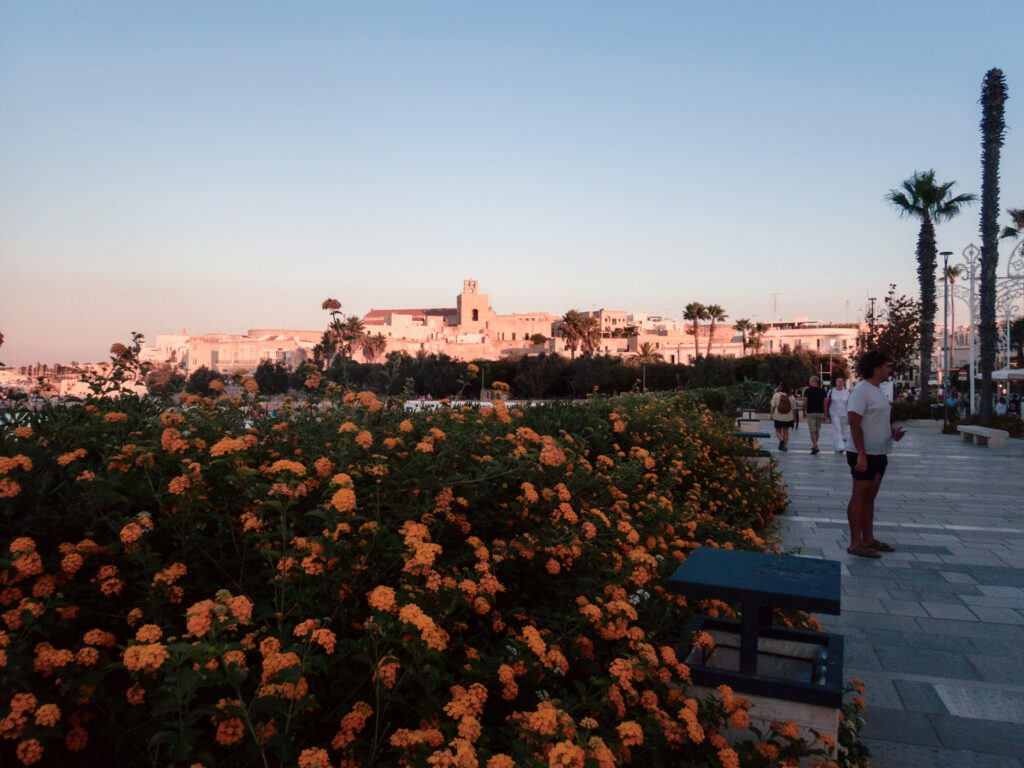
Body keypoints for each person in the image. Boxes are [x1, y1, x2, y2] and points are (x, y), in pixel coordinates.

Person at [845, 350, 905, 558]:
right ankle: (855, 543)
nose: (890, 369)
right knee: (859, 497)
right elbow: (854, 422)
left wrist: (892, 434)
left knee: (870, 497)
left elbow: (875, 421)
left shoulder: (878, 390)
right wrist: (861, 454)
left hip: (880, 452)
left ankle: (869, 539)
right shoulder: (861, 391)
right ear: (876, 368)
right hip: (864, 453)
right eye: (887, 366)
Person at [825, 376, 851, 453]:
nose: (839, 383)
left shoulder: (847, 392)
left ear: (843, 383)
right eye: (838, 381)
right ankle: (841, 447)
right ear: (836, 382)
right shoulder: (831, 391)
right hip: (834, 412)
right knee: (837, 429)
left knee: (843, 430)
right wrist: (826, 414)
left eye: (841, 381)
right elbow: (827, 402)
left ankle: (837, 445)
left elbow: (850, 404)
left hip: (844, 413)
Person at [802, 375, 827, 454]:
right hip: (820, 412)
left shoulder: (808, 391)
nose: (809, 382)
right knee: (817, 430)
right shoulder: (823, 391)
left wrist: (803, 412)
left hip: (811, 412)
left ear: (813, 382)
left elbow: (805, 403)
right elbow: (825, 403)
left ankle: (815, 445)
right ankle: (815, 445)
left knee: (812, 430)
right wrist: (826, 414)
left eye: (810, 381)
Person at [770, 382, 797, 452]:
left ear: (781, 388)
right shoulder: (791, 396)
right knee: (786, 431)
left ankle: (781, 440)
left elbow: (772, 405)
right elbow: (794, 408)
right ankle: (785, 446)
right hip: (788, 417)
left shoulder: (776, 395)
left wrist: (771, 415)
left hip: (778, 417)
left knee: (778, 431)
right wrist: (794, 417)